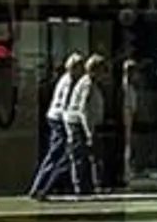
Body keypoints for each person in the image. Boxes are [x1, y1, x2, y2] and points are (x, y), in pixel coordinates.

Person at [27, 55, 86, 201]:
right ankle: (39, 188)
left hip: (56, 117)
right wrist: (69, 128)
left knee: (60, 155)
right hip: (59, 120)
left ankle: (44, 187)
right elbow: (65, 106)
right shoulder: (69, 82)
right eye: (80, 68)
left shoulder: (66, 79)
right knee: (55, 154)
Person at [66, 51, 110, 195]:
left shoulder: (90, 83)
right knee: (81, 156)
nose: (105, 76)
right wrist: (89, 132)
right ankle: (82, 187)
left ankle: (90, 185)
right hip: (79, 124)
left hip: (85, 124)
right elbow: (84, 109)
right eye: (103, 72)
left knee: (91, 156)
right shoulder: (87, 84)